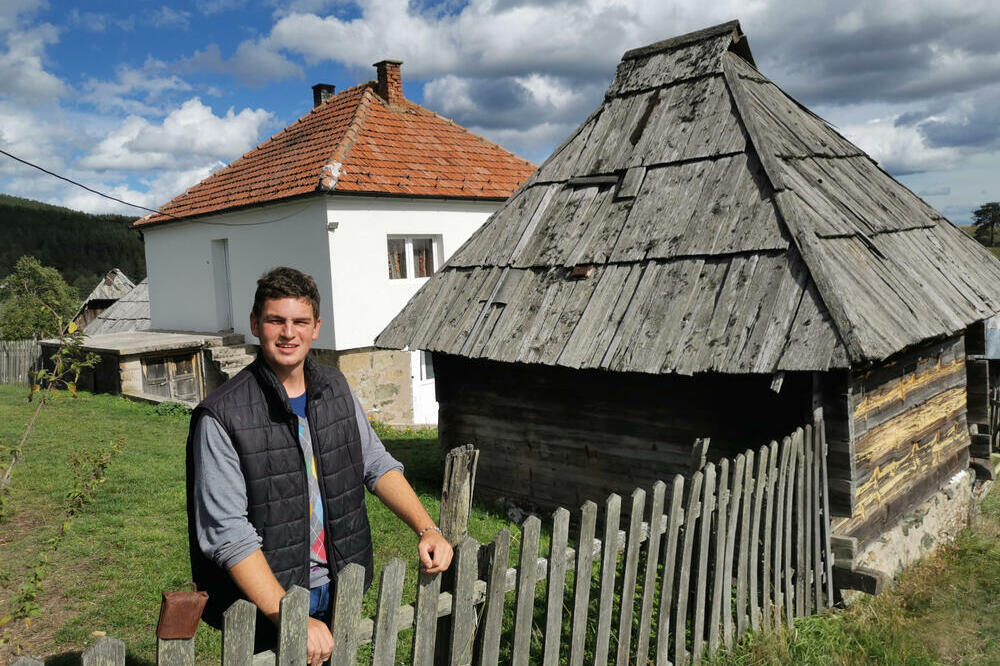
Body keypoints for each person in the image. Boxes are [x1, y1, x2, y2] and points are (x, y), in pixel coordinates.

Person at [186, 267, 452, 666]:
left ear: (316, 327)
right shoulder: (222, 416)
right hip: (265, 601)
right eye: (276, 320)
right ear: (256, 324)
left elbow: (375, 463)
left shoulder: (335, 388)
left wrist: (426, 527)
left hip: (340, 583)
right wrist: (290, 615)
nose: (288, 333)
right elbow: (227, 533)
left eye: (300, 322)